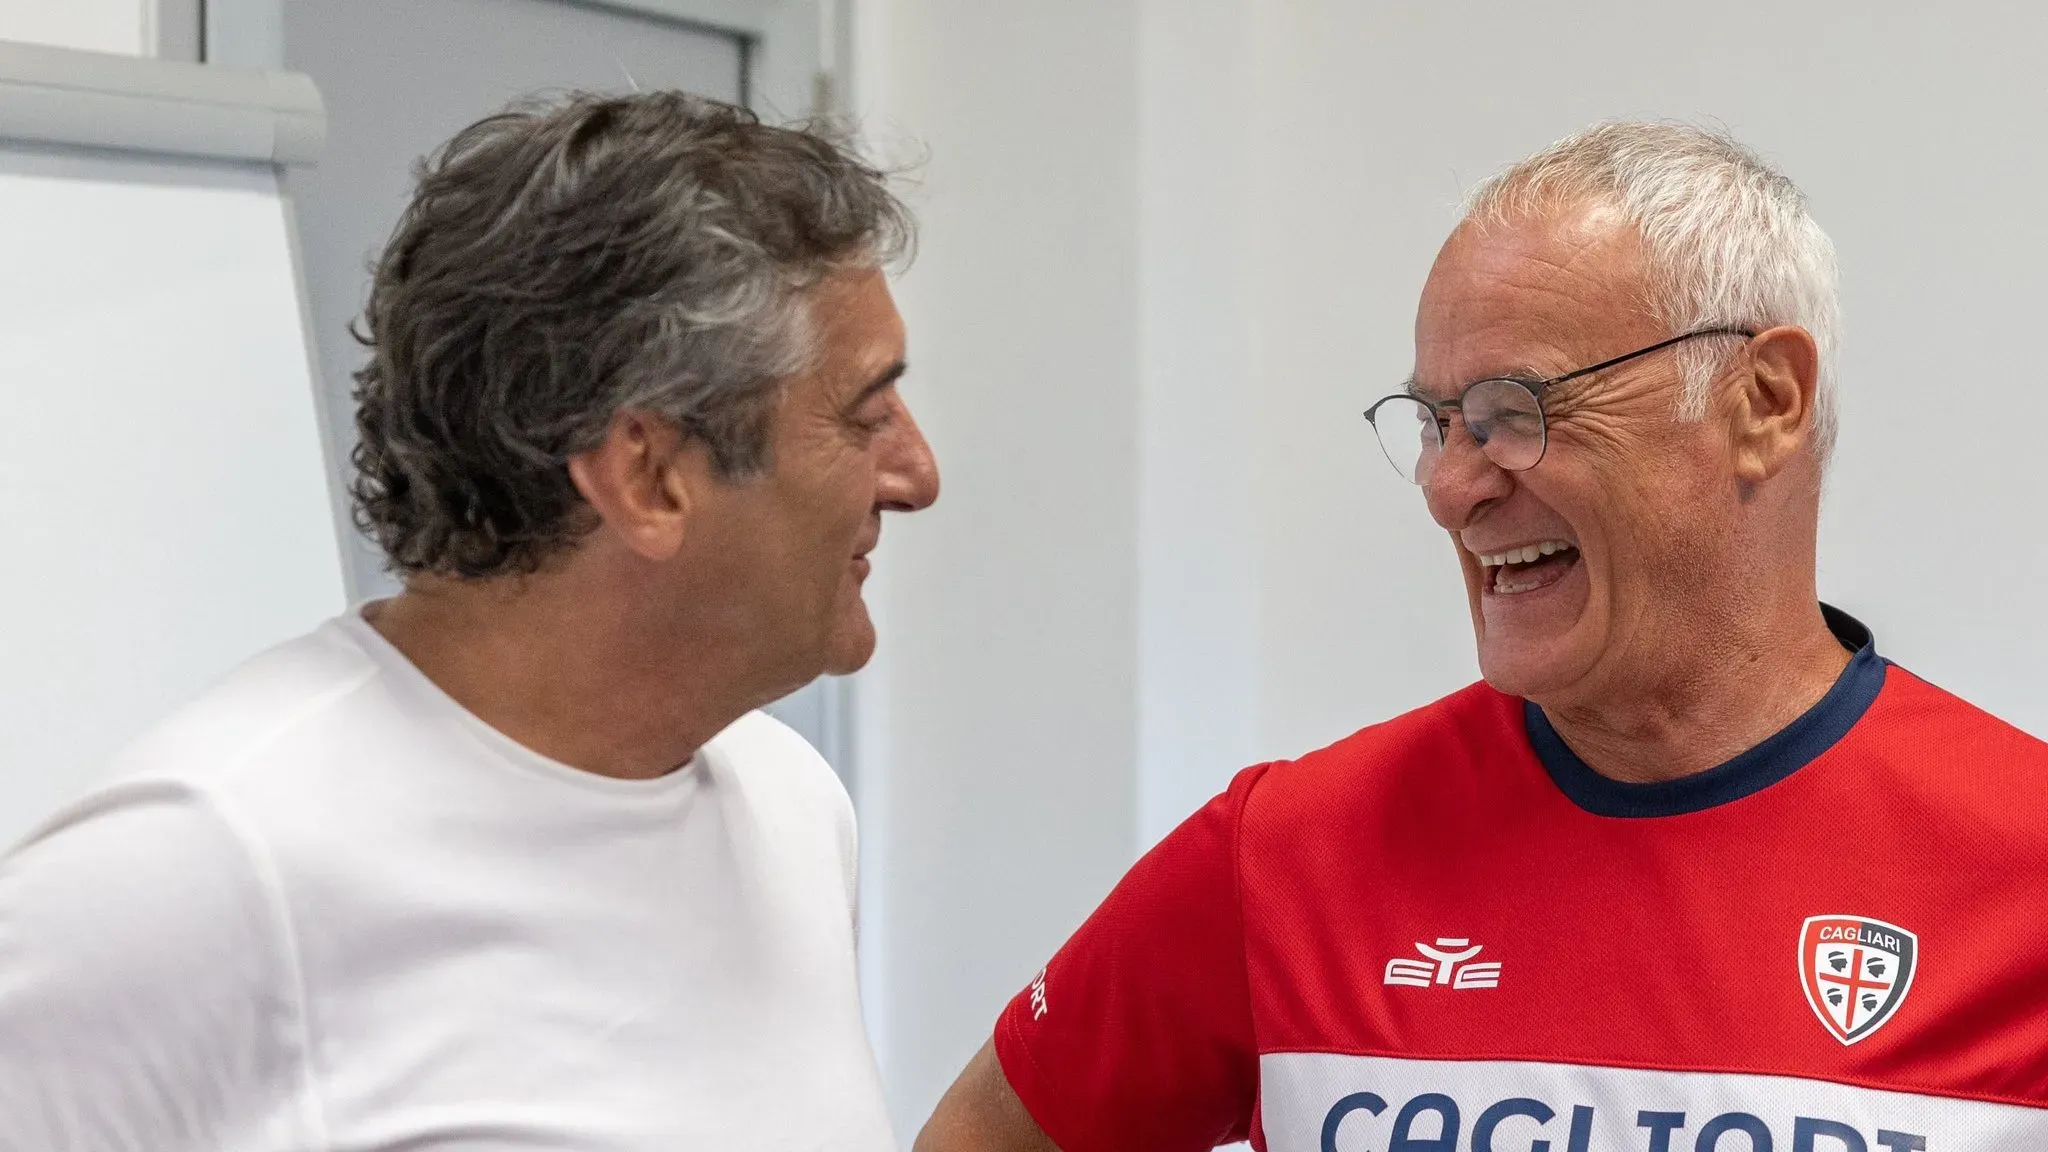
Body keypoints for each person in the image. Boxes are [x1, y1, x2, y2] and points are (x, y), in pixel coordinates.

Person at [919, 122, 2048, 1151]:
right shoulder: (1286, 854)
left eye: (1516, 412)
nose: (1449, 489)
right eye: (1436, 422)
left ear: (1763, 402)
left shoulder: (2021, 863)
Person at [0, 91, 937, 1151]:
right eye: (865, 416)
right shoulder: (196, 867)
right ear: (647, 476)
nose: (917, 474)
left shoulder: (792, 810)